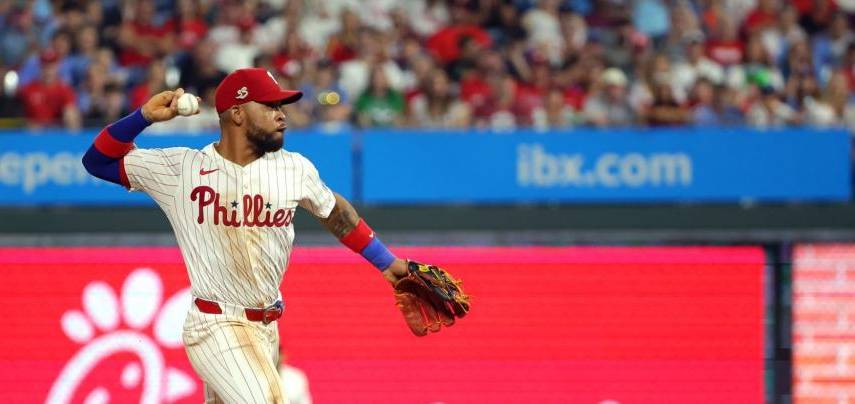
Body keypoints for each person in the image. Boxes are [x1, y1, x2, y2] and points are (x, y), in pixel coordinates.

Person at [80, 68, 425, 403]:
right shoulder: (182, 169)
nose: (282, 115)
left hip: (266, 330)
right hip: (215, 325)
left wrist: (388, 264)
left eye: (281, 106)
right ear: (238, 113)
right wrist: (143, 117)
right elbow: (97, 161)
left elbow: (335, 212)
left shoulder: (294, 168)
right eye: (270, 105)